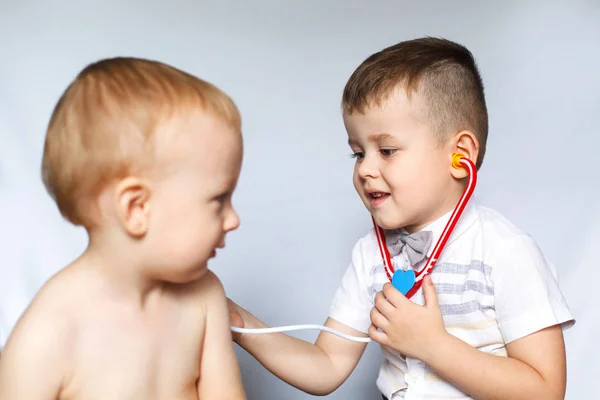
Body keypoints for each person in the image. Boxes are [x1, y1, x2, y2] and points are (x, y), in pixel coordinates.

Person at [228, 37, 574, 400]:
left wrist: (433, 346)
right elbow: (327, 365)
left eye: (387, 150)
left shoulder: (505, 252)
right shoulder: (371, 254)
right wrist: (242, 325)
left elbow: (545, 391)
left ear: (460, 156)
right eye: (358, 153)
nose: (366, 169)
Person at [0, 57, 247, 400]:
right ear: (136, 208)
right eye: (219, 199)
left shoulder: (204, 297)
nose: (234, 219)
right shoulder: (49, 334)